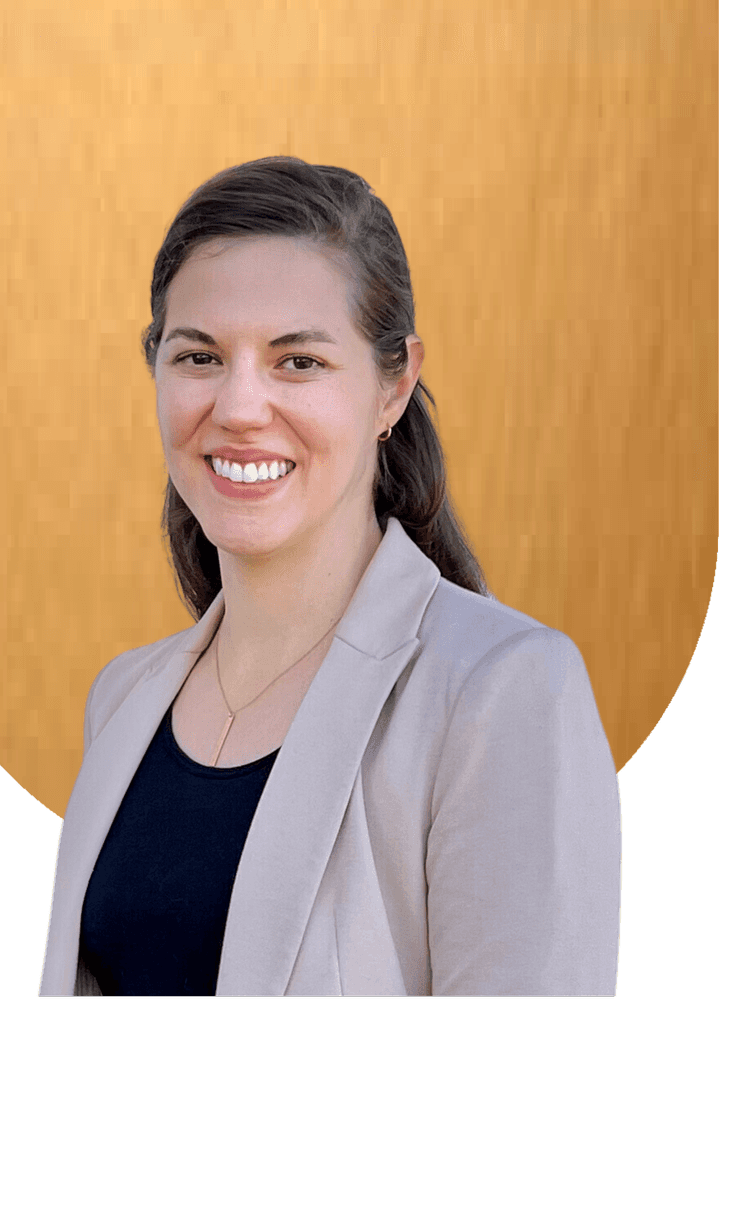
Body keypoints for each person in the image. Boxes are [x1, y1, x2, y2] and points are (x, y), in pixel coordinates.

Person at [37, 157, 621, 996]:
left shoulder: (503, 694)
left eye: (298, 362)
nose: (238, 408)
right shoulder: (123, 700)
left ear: (394, 386)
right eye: (198, 356)